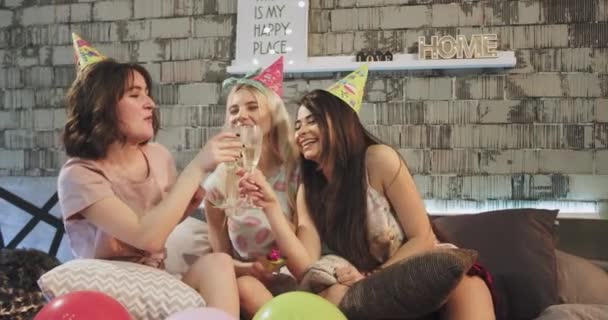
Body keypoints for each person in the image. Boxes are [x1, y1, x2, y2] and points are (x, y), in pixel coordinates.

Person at [240, 65, 496, 319]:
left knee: (467, 286)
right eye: (297, 126)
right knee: (335, 296)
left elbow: (423, 237)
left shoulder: (378, 160)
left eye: (312, 121)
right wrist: (270, 206)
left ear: (339, 122)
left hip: (413, 270)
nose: (301, 132)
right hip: (360, 289)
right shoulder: (309, 190)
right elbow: (305, 265)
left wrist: (372, 277)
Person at [57, 34, 242, 318]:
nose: (150, 104)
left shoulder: (158, 156)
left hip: (156, 276)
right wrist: (196, 168)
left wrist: (184, 207)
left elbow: (159, 227)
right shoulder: (79, 174)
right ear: (102, 106)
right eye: (135, 94)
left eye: (147, 93)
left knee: (218, 263)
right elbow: (147, 237)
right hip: (109, 285)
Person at [203, 56, 300, 318]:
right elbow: (220, 261)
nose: (241, 116)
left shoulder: (297, 173)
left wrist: (272, 262)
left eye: (252, 107)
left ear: (273, 115)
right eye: (233, 110)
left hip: (293, 273)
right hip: (249, 282)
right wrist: (249, 270)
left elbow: (303, 240)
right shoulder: (217, 184)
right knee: (245, 287)